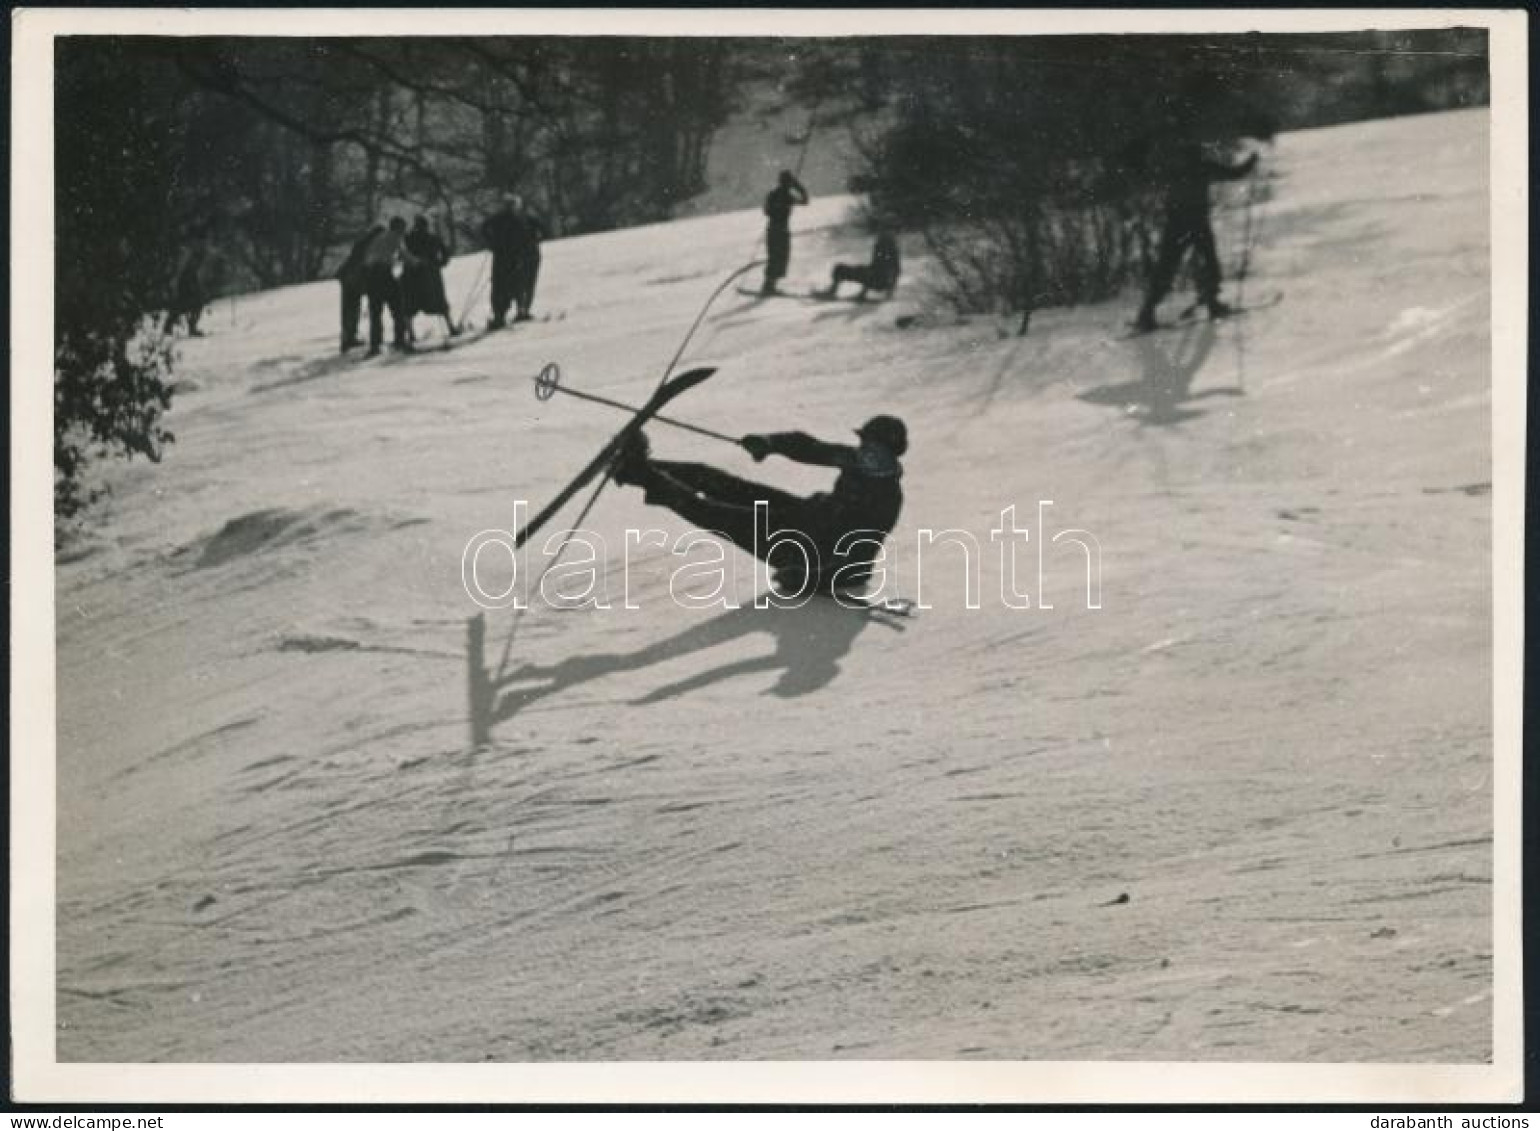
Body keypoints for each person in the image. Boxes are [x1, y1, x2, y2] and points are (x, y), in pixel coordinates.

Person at [611, 414, 907, 596]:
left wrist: (808, 577)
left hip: (804, 552)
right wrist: (769, 442)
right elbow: (807, 446)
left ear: (891, 457)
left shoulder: (885, 500)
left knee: (710, 511)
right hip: (806, 519)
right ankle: (639, 466)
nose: (866, 453)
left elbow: (859, 553)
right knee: (722, 483)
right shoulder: (858, 461)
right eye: (865, 445)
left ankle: (641, 472)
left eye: (874, 450)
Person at [1134, 139, 1259, 332]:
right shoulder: (1202, 166)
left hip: (1177, 221)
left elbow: (1149, 177)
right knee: (1208, 263)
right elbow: (1235, 173)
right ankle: (1212, 304)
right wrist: (1252, 162)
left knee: (1167, 266)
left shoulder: (1174, 168)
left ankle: (1147, 313)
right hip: (1195, 221)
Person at [481, 193, 545, 328]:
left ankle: (512, 313)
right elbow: (484, 229)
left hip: (511, 257)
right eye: (509, 205)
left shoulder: (522, 218)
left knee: (513, 286)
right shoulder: (519, 218)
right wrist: (491, 243)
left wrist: (491, 243)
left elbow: (541, 229)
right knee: (510, 286)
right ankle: (510, 313)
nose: (511, 208)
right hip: (507, 258)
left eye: (512, 205)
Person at [361, 216, 418, 356]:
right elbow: (404, 254)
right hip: (385, 275)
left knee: (375, 312)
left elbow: (368, 257)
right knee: (398, 309)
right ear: (398, 227)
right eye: (403, 227)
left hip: (372, 276)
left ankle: (375, 345)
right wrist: (417, 262)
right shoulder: (396, 237)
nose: (405, 231)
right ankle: (400, 341)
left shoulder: (379, 237)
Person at [403, 215, 459, 340]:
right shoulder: (434, 238)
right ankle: (451, 327)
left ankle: (411, 334)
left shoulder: (408, 239)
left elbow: (402, 254)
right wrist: (439, 264)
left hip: (412, 275)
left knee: (411, 304)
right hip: (430, 273)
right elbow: (445, 255)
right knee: (439, 301)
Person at [761, 169, 809, 296]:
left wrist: (777, 207)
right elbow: (805, 201)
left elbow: (766, 211)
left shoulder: (775, 194)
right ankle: (768, 286)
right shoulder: (786, 196)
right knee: (779, 256)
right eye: (789, 182)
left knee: (776, 256)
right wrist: (798, 187)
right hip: (780, 229)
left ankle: (770, 284)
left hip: (774, 229)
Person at [337, 224, 382, 352]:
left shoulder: (363, 243)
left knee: (349, 309)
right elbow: (365, 264)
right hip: (353, 278)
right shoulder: (370, 245)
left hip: (348, 277)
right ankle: (347, 339)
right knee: (351, 309)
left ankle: (348, 338)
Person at [821, 229, 901, 300]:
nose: (881, 234)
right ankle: (832, 291)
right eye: (881, 232)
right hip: (873, 276)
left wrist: (889, 293)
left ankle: (862, 294)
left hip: (881, 283)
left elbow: (895, 271)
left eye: (885, 232)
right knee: (839, 268)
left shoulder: (892, 250)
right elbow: (874, 266)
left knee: (868, 273)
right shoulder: (879, 245)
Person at [163, 239, 211, 336]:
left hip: (186, 286)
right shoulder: (187, 259)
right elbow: (182, 276)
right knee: (186, 306)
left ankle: (171, 327)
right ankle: (177, 327)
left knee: (186, 306)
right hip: (184, 287)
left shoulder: (192, 258)